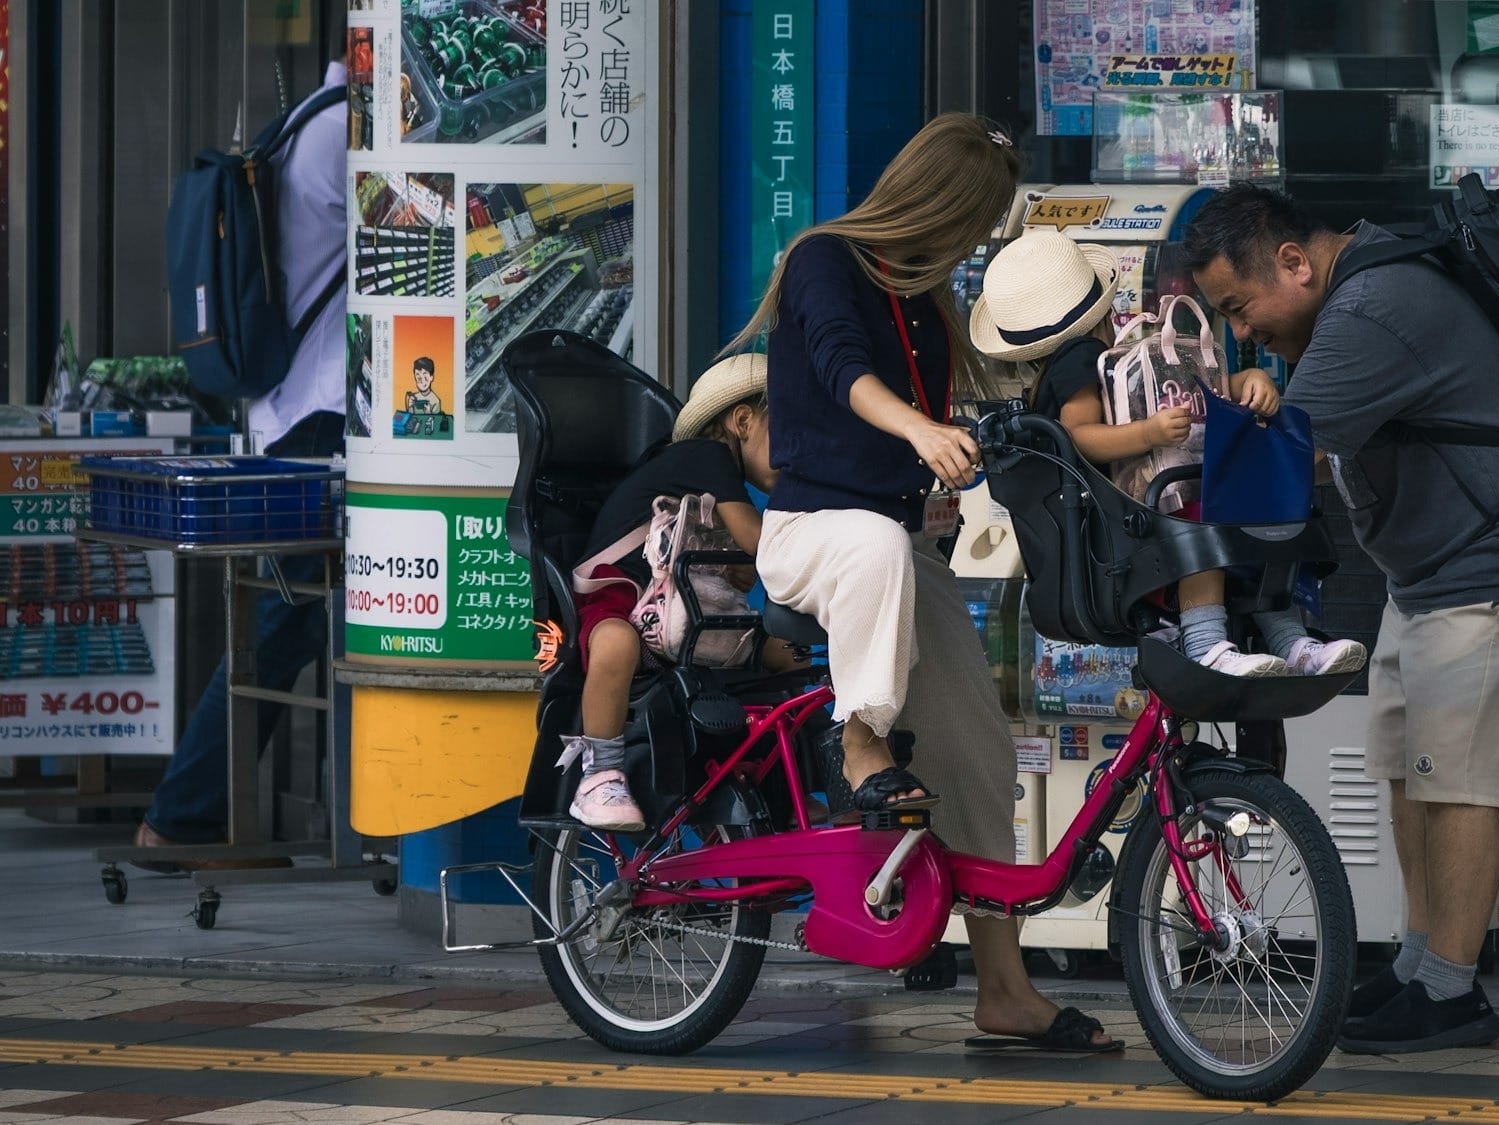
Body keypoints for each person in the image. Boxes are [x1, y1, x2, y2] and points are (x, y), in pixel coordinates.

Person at [1183, 183, 1499, 1054]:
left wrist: (1162, 465)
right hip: (1436, 570)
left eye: (1241, 306)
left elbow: (1279, 468)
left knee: (1460, 779)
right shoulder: (1359, 290)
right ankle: (1423, 966)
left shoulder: (1372, 306)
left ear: (1296, 264)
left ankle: (1453, 994)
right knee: (1409, 768)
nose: (1242, 332)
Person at [732, 112, 1119, 1052]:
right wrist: (915, 432)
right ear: (936, 204)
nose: (972, 243)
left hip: (897, 549)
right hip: (811, 535)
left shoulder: (927, 302)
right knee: (870, 540)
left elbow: (934, 421)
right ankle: (856, 739)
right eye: (972, 222)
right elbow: (840, 367)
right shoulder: (826, 259)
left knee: (979, 753)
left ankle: (1004, 987)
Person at [968, 229, 1367, 677]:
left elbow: (1191, 391)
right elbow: (1079, 435)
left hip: (1120, 525)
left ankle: (1289, 643)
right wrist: (1149, 433)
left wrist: (1241, 383)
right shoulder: (1083, 358)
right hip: (1127, 527)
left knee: (1232, 515)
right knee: (1215, 521)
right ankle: (1215, 641)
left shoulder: (1098, 361)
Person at [135, 62, 351, 870]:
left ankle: (190, 816)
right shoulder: (340, 138)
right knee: (276, 624)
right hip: (319, 422)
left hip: (285, 417)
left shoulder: (298, 131)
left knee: (285, 621)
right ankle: (181, 818)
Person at [559, 354, 805, 832]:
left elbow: (741, 569)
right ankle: (600, 773)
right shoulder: (706, 457)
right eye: (791, 431)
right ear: (742, 421)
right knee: (616, 642)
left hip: (684, 616)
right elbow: (760, 544)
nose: (798, 451)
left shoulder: (714, 484)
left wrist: (738, 576)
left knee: (787, 653)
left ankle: (782, 783)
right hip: (622, 597)